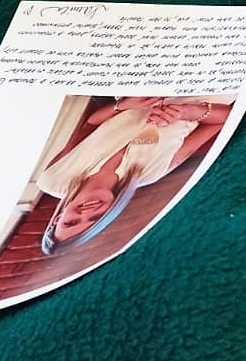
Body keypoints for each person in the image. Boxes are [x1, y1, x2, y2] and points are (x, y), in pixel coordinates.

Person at [35, 96, 232, 254]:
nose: (86, 213)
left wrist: (122, 105)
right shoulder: (151, 172)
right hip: (203, 94)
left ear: (57, 218)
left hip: (143, 86)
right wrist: (188, 112)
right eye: (95, 219)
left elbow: (89, 124)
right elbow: (225, 119)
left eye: (70, 222)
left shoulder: (52, 179)